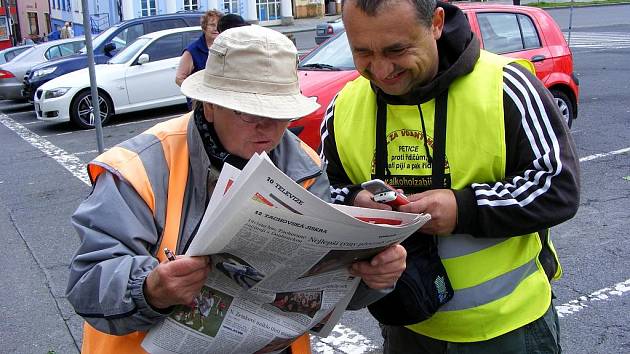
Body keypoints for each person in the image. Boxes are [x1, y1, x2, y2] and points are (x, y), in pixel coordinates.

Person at [66, 25, 407, 354]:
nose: (269, 128)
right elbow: (87, 283)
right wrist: (150, 289)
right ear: (209, 105)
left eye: (280, 113)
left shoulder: (301, 162)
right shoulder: (139, 168)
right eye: (249, 113)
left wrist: (373, 278)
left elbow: (327, 290)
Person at [320, 0, 580, 353]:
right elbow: (326, 194)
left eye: (397, 49)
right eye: (362, 52)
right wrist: (355, 202)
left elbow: (558, 186)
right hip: (405, 326)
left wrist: (464, 207)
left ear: (436, 23)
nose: (381, 70)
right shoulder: (343, 108)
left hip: (508, 329)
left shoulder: (507, 87)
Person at [175, 10, 223, 110]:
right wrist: (198, 93)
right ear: (204, 27)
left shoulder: (225, 47)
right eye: (211, 25)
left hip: (221, 102)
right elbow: (179, 79)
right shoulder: (192, 51)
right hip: (200, 106)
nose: (216, 28)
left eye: (218, 25)